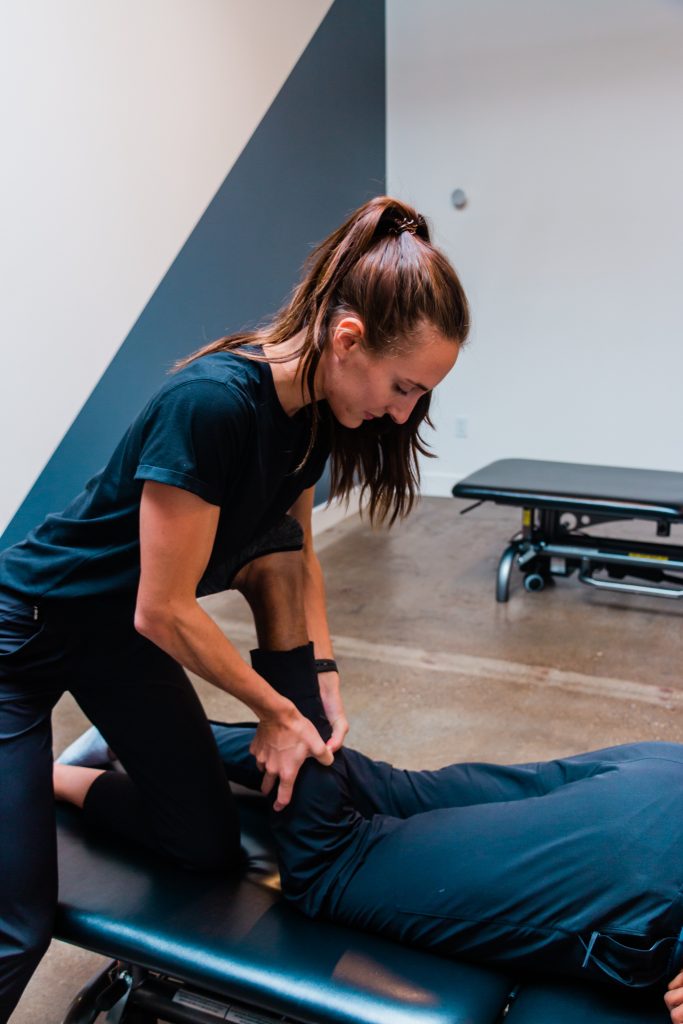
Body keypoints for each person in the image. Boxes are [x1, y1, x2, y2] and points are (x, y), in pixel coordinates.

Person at [0, 195, 469, 1021]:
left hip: (108, 638)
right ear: (348, 338)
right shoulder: (212, 404)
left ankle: (52, 778)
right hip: (22, 633)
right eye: (402, 387)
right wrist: (271, 712)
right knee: (17, 925)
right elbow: (164, 611)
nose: (402, 412)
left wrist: (318, 680)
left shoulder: (318, 419)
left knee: (203, 845)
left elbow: (293, 558)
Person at [56, 690, 683, 1022]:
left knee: (393, 790)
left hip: (661, 778)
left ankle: (117, 739)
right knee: (333, 868)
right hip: (645, 873)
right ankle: (55, 776)